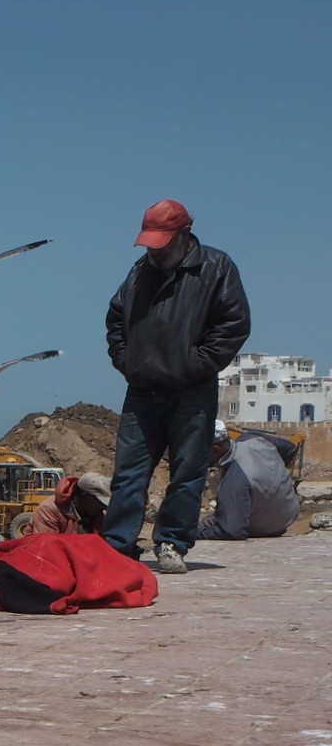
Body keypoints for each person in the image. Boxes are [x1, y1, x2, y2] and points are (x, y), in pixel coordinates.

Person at [103, 199, 250, 574]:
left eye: (161, 242)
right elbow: (116, 318)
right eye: (149, 242)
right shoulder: (140, 271)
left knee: (187, 472)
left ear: (183, 235)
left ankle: (171, 543)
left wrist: (196, 365)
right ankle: (116, 547)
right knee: (128, 473)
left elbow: (233, 325)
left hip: (192, 392)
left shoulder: (217, 268)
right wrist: (126, 360)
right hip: (142, 390)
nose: (154, 249)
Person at [199, 421, 300, 539]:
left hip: (267, 527)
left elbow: (231, 531)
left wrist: (194, 533)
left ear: (215, 450)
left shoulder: (233, 482)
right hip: (289, 513)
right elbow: (290, 448)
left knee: (202, 526)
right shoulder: (252, 438)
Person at [28, 471, 111, 537]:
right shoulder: (49, 510)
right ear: (84, 496)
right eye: (99, 503)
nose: (102, 507)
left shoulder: (96, 514)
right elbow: (46, 548)